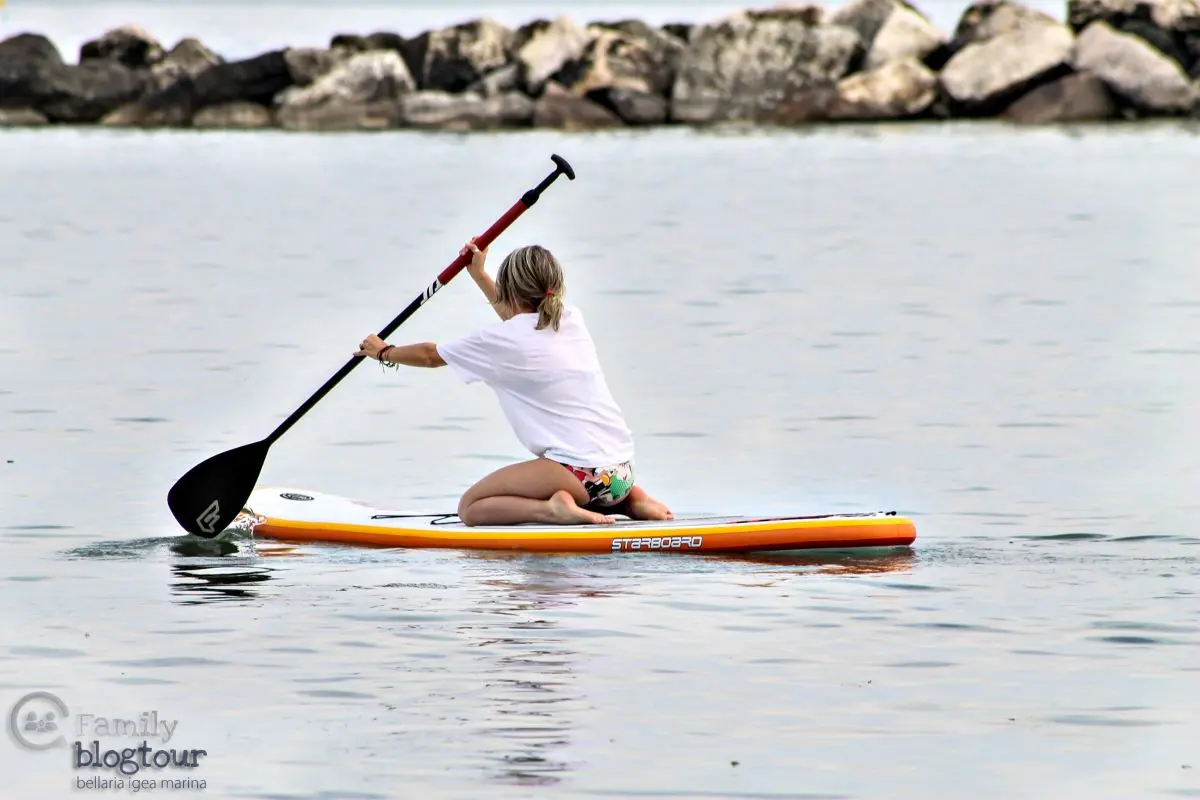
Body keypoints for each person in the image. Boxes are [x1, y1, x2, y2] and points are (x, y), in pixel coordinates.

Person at [355, 238, 674, 528]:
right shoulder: (571, 319)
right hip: (622, 473)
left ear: (510, 290)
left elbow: (430, 356)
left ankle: (553, 510)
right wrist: (479, 275)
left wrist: (383, 351)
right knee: (597, 478)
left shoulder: (498, 340)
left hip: (579, 474)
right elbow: (518, 323)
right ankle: (633, 501)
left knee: (471, 507)